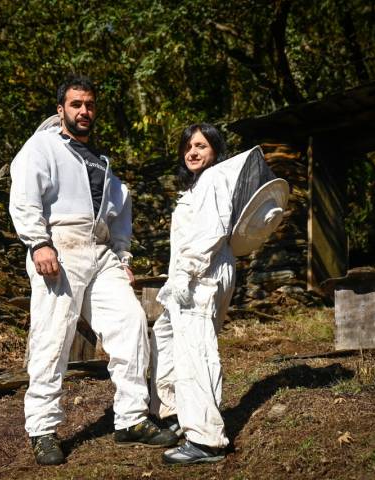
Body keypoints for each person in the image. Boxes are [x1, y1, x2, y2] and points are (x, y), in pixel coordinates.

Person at [9, 75, 178, 466]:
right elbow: (24, 196)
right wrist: (38, 242)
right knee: (53, 337)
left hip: (101, 251)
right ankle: (42, 429)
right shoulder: (42, 147)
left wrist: (123, 257)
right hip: (59, 246)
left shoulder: (101, 161)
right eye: (75, 104)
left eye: (89, 105)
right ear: (60, 109)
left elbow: (121, 211)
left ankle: (132, 418)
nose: (83, 111)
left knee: (132, 322)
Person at [149, 123, 235, 465]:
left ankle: (207, 440)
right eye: (188, 146)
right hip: (187, 278)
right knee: (165, 335)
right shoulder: (198, 186)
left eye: (201, 145)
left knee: (195, 352)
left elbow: (210, 235)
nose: (193, 152)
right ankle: (174, 415)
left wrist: (184, 275)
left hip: (201, 276)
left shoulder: (214, 180)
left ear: (215, 150)